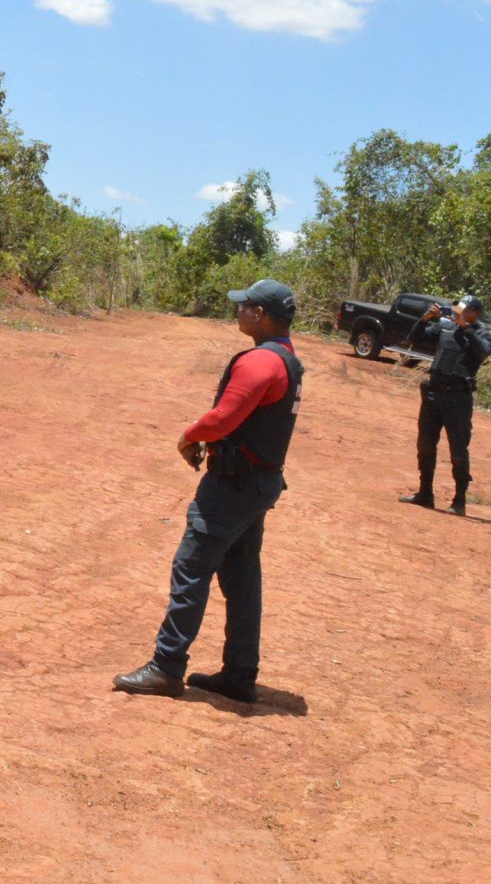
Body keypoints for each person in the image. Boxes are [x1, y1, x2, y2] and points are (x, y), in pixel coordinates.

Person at [114, 279, 303, 705]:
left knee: (192, 567)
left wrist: (189, 436)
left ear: (261, 314)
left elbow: (223, 419)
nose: (239, 311)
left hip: (232, 486)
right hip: (258, 483)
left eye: (245, 306)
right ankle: (240, 674)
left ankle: (166, 667)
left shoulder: (261, 361)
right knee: (242, 576)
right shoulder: (288, 358)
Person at [400, 295, 491, 515]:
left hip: (458, 399)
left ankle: (459, 500)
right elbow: (413, 338)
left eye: (464, 310)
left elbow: (485, 352)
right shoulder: (445, 327)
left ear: (476, 314)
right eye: (458, 308)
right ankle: (425, 493)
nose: (458, 312)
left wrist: (466, 329)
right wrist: (425, 318)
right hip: (433, 395)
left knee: (458, 450)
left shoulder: (482, 333)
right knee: (425, 444)